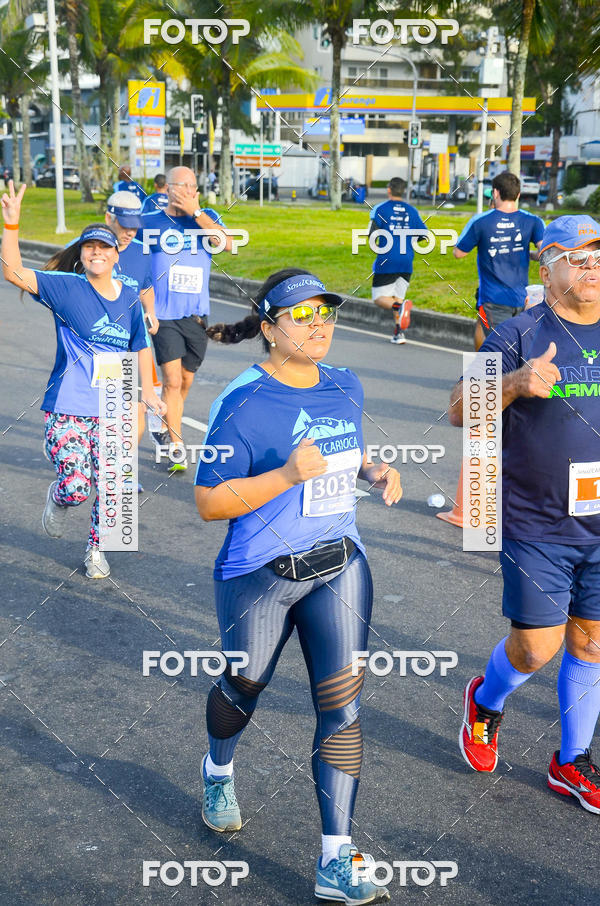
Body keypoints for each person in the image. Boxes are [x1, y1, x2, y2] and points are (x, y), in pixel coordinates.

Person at [194, 268, 402, 904]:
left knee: (341, 709)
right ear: (268, 328)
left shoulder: (346, 382)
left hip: (340, 564)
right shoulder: (242, 401)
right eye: (303, 314)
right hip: (259, 574)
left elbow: (346, 451)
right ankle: (218, 768)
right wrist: (286, 474)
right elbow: (208, 502)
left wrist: (372, 471)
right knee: (243, 686)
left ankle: (335, 861)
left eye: (327, 313)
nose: (320, 324)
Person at [448, 214, 600, 813]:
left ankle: (571, 761)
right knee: (537, 648)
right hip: (536, 523)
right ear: (548, 266)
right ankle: (487, 699)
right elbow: (460, 408)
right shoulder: (519, 332)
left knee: (591, 642)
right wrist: (514, 383)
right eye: (578, 257)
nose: (592, 267)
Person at [1, 181, 164, 578]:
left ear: (114, 256)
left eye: (104, 247)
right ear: (83, 253)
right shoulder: (66, 287)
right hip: (68, 404)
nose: (96, 252)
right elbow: (14, 274)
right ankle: (58, 500)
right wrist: (11, 226)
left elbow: (141, 344)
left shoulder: (128, 294)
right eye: (90, 246)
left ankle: (96, 551)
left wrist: (149, 394)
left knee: (114, 488)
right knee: (76, 485)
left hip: (115, 398)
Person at [46, 191, 160, 484]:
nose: (130, 231)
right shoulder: (88, 250)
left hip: (126, 349)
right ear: (109, 218)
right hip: (90, 342)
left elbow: (145, 288)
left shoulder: (141, 253)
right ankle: (72, 446)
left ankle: (119, 470)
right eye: (124, 224)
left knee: (137, 416)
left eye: (135, 225)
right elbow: (62, 288)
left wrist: (151, 313)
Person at [138, 165, 234, 471]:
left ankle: (166, 418)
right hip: (163, 315)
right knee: (173, 380)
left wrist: (196, 213)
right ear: (168, 189)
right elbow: (130, 257)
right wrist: (145, 307)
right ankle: (176, 445)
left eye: (194, 187)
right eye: (184, 187)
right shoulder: (150, 221)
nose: (191, 192)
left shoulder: (207, 218)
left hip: (196, 316)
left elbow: (227, 245)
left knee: (186, 382)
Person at [453, 171, 545, 350]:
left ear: (495, 193)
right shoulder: (533, 220)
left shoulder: (481, 221)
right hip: (522, 297)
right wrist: (526, 253)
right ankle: (485, 375)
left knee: (498, 347)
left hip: (493, 298)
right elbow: (545, 253)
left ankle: (492, 377)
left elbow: (459, 253)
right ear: (518, 195)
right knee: (494, 333)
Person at [369, 176, 428, 345]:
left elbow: (372, 235)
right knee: (398, 297)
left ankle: (399, 309)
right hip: (406, 260)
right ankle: (399, 333)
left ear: (389, 189)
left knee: (379, 298)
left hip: (387, 259)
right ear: (404, 191)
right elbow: (424, 234)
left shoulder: (379, 209)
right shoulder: (412, 210)